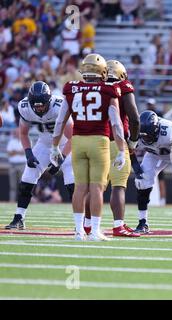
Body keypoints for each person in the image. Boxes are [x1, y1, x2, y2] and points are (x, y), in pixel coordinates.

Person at [51, 53, 126, 241]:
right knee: (97, 188)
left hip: (77, 141)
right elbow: (116, 124)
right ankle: (93, 232)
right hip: (99, 141)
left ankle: (78, 231)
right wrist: (122, 149)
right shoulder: (109, 90)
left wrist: (54, 146)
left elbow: (61, 121)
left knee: (80, 187)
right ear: (102, 71)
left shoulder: (71, 88)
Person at [5, 81, 75, 230]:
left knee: (71, 182)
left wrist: (60, 159)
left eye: (42, 104)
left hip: (65, 145)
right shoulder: (25, 107)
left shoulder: (59, 105)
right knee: (27, 177)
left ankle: (80, 222)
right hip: (44, 143)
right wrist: (28, 153)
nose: (39, 108)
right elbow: (23, 133)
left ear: (49, 100)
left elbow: (73, 137)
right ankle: (19, 217)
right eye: (35, 105)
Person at [84, 60, 141, 237]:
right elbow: (135, 118)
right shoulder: (122, 86)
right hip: (116, 141)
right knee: (118, 186)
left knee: (95, 186)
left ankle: (86, 225)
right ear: (121, 75)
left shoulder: (94, 87)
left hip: (94, 140)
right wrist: (132, 142)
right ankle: (118, 225)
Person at [6, 127, 26, 202]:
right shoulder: (11, 141)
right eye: (16, 132)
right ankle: (12, 201)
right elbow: (9, 153)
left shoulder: (26, 140)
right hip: (12, 165)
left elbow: (25, 152)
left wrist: (15, 152)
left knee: (23, 184)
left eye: (18, 132)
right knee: (12, 185)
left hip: (22, 165)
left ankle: (22, 201)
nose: (17, 134)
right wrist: (19, 152)